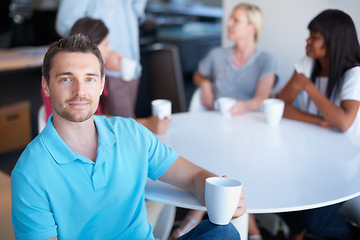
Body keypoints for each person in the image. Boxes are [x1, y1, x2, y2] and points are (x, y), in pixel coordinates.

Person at [11, 34, 246, 240]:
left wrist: (221, 193)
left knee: (224, 232)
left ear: (102, 84)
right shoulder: (30, 173)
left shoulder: (131, 133)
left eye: (90, 78)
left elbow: (193, 177)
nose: (79, 91)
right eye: (66, 79)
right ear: (46, 85)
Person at [171, 3, 277, 239]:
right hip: (215, 126)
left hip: (251, 130)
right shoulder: (217, 55)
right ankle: (250, 228)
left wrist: (242, 107)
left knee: (238, 153)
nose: (228, 23)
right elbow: (199, 74)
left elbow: (262, 97)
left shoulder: (266, 60)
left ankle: (197, 216)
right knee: (218, 150)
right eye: (230, 19)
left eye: (235, 20)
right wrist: (205, 83)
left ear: (252, 27)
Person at [277, 9, 360, 240]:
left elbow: (343, 122)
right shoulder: (308, 63)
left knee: (314, 221)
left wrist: (309, 87)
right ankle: (298, 230)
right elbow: (281, 105)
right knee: (272, 190)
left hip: (346, 164)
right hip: (310, 155)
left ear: (333, 41)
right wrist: (319, 120)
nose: (308, 41)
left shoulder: (354, 74)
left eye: (314, 36)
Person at [42, 17, 170, 135]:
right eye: (106, 45)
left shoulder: (97, 77)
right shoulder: (58, 79)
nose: (110, 50)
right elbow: (91, 119)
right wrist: (145, 124)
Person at [55, 0, 148, 119]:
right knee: (114, 125)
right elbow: (67, 24)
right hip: (104, 72)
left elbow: (135, 13)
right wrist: (101, 56)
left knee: (126, 121)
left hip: (130, 65)